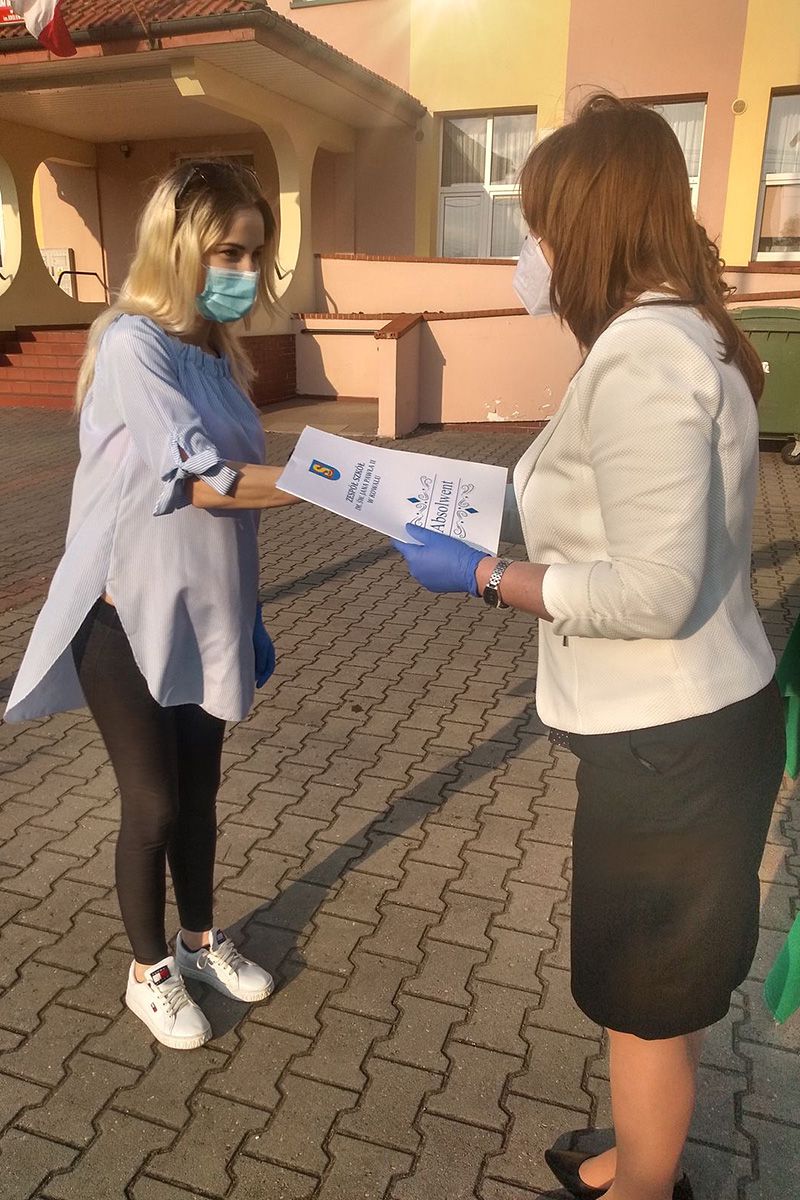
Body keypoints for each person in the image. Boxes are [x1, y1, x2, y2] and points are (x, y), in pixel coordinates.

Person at [392, 94, 784, 1200]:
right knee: (651, 991)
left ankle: (644, 1189)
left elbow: (651, 591)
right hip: (686, 732)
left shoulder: (643, 357)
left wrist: (486, 577)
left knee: (644, 1001)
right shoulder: (676, 334)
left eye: (540, 225)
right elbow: (617, 509)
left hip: (668, 742)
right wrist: (473, 513)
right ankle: (637, 1159)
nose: (534, 252)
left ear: (586, 221)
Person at [5, 159, 302, 1050]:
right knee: (155, 803)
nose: (244, 271)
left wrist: (247, 609)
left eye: (254, 254)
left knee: (200, 795)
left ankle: (198, 941)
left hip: (204, 614)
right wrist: (337, 481)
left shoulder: (220, 357)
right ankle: (148, 972)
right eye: (227, 252)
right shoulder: (132, 342)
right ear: (177, 246)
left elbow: (236, 497)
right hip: (122, 617)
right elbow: (205, 480)